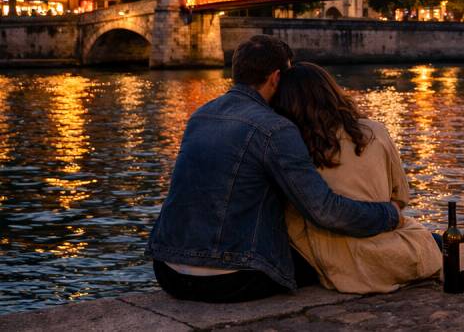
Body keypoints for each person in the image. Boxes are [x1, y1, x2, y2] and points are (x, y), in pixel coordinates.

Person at [146, 35, 400, 303]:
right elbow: (324, 211)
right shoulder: (275, 129)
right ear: (276, 78)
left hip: (168, 271)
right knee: (330, 257)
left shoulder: (200, 115)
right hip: (232, 277)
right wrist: (388, 214)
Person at [275, 62, 442, 294]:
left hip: (336, 261)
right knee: (428, 237)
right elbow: (401, 196)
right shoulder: (375, 132)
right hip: (390, 252)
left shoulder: (292, 146)